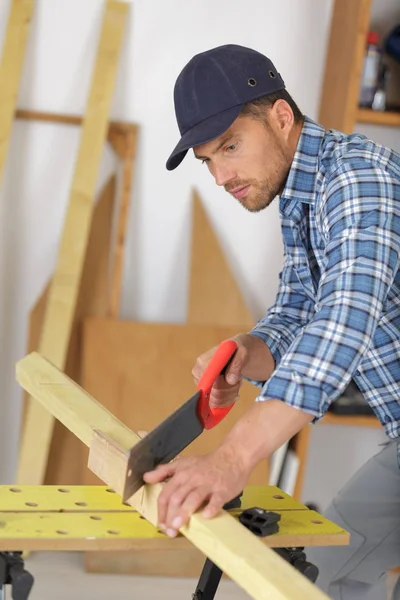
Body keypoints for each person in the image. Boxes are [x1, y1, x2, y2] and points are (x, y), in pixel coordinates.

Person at [143, 44, 400, 599]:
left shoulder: (358, 180)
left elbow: (342, 324)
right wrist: (248, 351)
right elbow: (299, 310)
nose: (220, 176)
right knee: (326, 574)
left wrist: (233, 459)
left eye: (230, 147)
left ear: (282, 117)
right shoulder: (298, 192)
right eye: (209, 160)